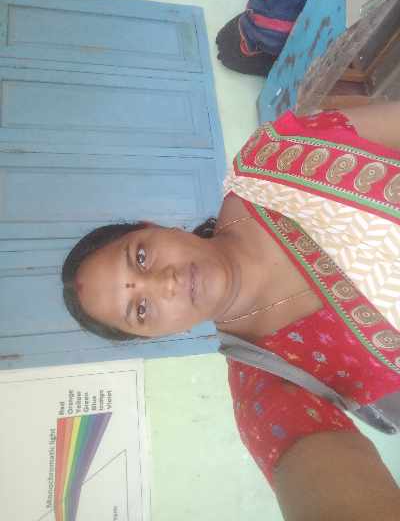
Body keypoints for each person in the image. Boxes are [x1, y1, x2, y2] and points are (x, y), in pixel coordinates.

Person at [62, 101, 400, 520]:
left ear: (155, 226)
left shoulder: (274, 161)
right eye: (141, 310)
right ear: (156, 336)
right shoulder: (269, 383)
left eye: (141, 257)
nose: (165, 283)